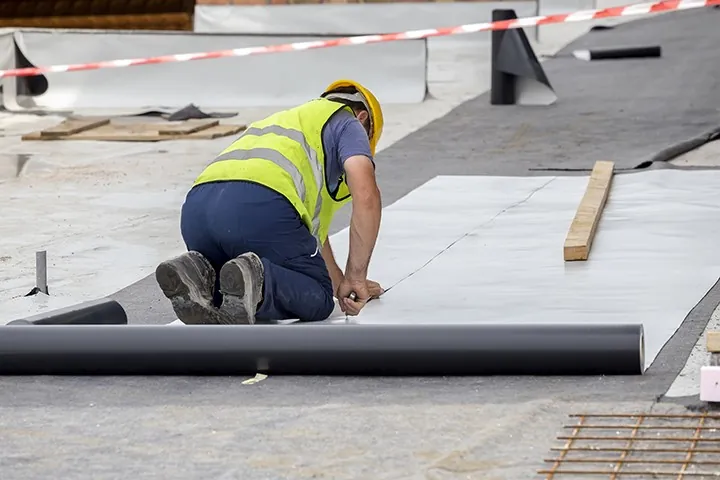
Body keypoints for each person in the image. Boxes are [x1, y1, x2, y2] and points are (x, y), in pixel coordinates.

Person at [154, 79, 385, 325]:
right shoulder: (349, 122)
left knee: (233, 288)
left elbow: (313, 242)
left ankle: (198, 271)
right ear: (362, 119)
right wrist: (357, 278)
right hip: (260, 205)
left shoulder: (282, 123)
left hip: (197, 209)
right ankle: (256, 278)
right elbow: (367, 196)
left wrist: (343, 286)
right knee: (317, 297)